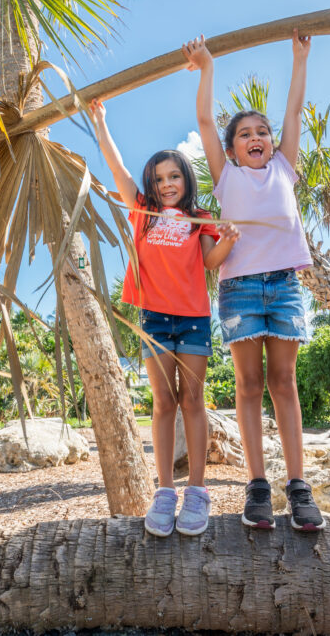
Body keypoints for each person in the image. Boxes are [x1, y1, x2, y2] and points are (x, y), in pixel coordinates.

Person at [182, 31, 326, 531]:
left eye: (262, 131)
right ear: (232, 149)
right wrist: (207, 67)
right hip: (240, 287)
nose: (258, 137)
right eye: (246, 134)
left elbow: (295, 109)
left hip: (284, 284)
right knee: (248, 384)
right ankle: (258, 486)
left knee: (284, 382)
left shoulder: (285, 167)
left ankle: (298, 486)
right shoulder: (227, 179)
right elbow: (204, 119)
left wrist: (299, 57)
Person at [89, 98, 240, 537]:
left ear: (185, 180)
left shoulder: (200, 219)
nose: (167, 183)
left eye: (174, 176)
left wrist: (228, 238)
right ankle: (165, 491)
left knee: (193, 401)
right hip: (153, 318)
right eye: (159, 179)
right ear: (150, 186)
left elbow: (212, 262)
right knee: (163, 403)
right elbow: (116, 169)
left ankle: (197, 490)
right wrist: (101, 124)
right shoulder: (143, 212)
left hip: (193, 318)